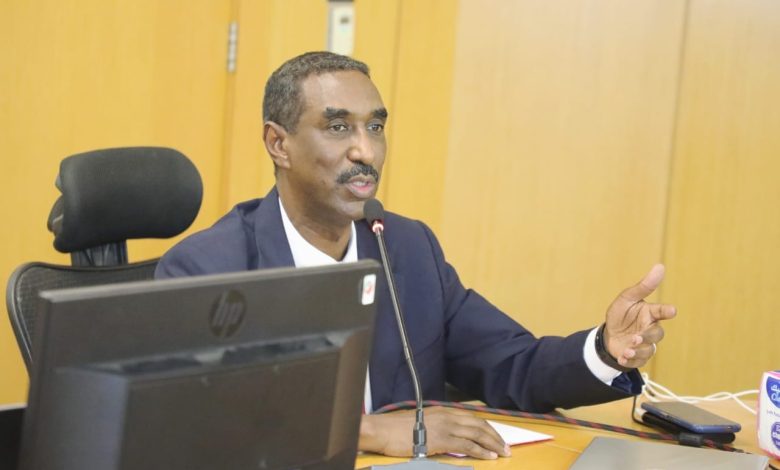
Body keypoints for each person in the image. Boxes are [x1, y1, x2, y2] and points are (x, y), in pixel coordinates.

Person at [155, 51, 677, 460]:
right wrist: (367, 432)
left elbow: (511, 364)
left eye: (375, 127)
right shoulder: (209, 268)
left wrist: (605, 349)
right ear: (278, 144)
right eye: (338, 127)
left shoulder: (406, 247)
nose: (365, 151)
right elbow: (197, 423)